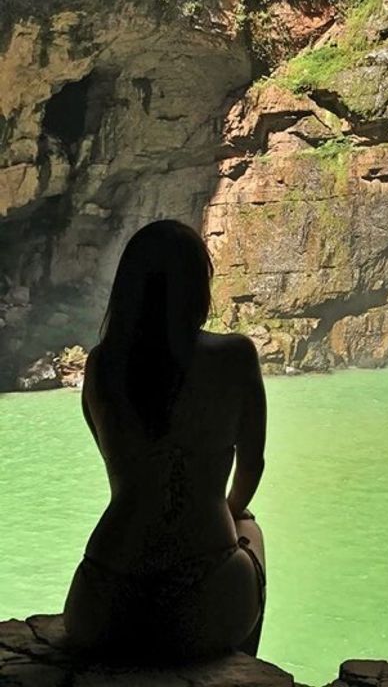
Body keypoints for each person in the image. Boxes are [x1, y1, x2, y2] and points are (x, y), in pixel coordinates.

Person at [63, 219, 267, 663]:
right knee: (250, 527)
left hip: (101, 600)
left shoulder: (100, 367)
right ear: (199, 287)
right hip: (204, 595)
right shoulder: (236, 356)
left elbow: (122, 469)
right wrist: (227, 513)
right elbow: (252, 465)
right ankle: (238, 667)